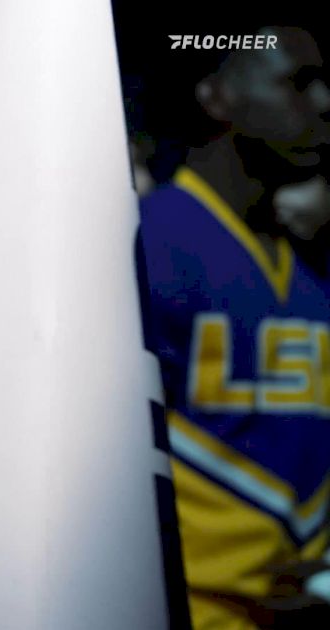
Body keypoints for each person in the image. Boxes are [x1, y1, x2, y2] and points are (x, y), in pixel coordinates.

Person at [136, 26, 330, 629]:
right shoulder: (143, 240)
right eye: (297, 83)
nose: (323, 103)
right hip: (171, 608)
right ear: (216, 95)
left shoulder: (309, 265)